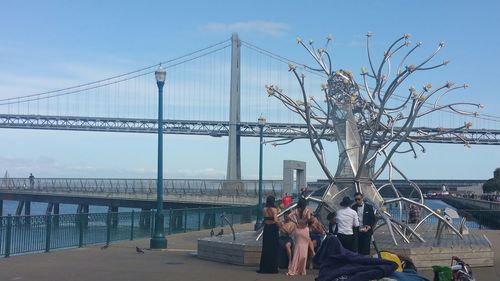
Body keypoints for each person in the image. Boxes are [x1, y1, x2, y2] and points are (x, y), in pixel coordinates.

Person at [287, 197, 312, 276]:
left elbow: (289, 216)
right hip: (305, 230)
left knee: (297, 249)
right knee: (304, 251)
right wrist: (305, 221)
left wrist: (296, 222)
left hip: (298, 230)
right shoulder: (307, 210)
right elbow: (308, 218)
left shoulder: (296, 210)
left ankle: (294, 268)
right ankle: (302, 270)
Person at [257, 195, 280, 274]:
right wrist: (280, 225)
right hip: (273, 229)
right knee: (273, 248)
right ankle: (272, 268)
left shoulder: (264, 209)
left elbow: (264, 219)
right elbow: (276, 220)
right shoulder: (274, 209)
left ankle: (264, 267)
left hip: (266, 229)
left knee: (266, 248)